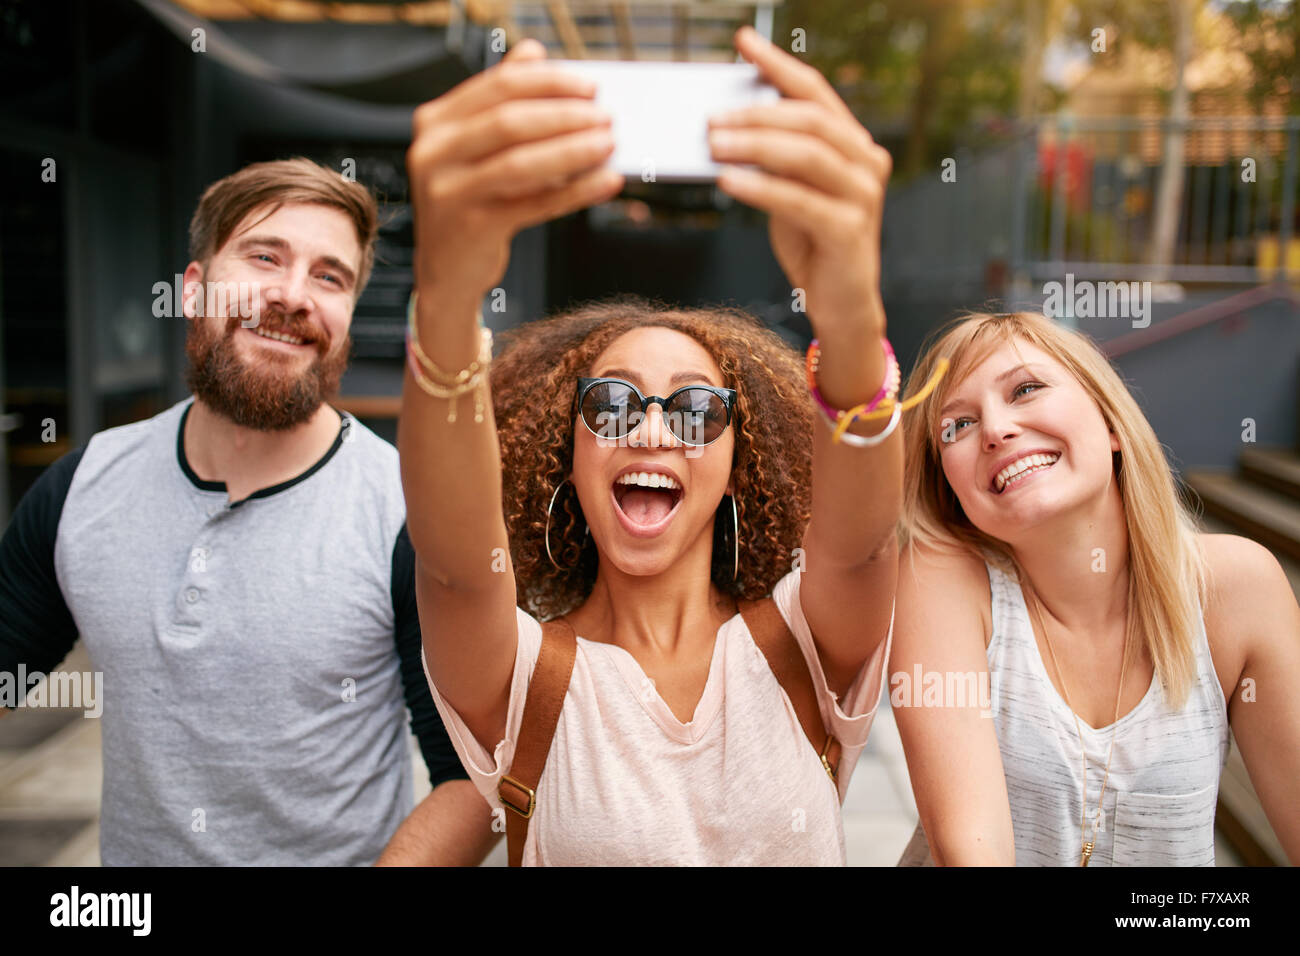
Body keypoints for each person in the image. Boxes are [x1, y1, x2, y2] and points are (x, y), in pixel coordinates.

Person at [400, 26, 902, 865]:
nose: (652, 426)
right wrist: (447, 295)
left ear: (740, 465)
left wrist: (850, 312)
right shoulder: (525, 682)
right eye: (612, 402)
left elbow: (862, 546)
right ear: (570, 456)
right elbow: (454, 563)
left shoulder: (804, 650)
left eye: (698, 410)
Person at [0, 158, 496, 866]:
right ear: (195, 289)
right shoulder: (82, 485)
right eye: (266, 257)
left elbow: (475, 779)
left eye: (331, 277)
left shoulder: (407, 515)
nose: (294, 295)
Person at [891, 310, 1300, 866]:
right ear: (949, 486)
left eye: (1026, 389)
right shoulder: (942, 584)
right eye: (956, 426)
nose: (994, 430)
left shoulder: (1237, 588)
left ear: (1110, 425)